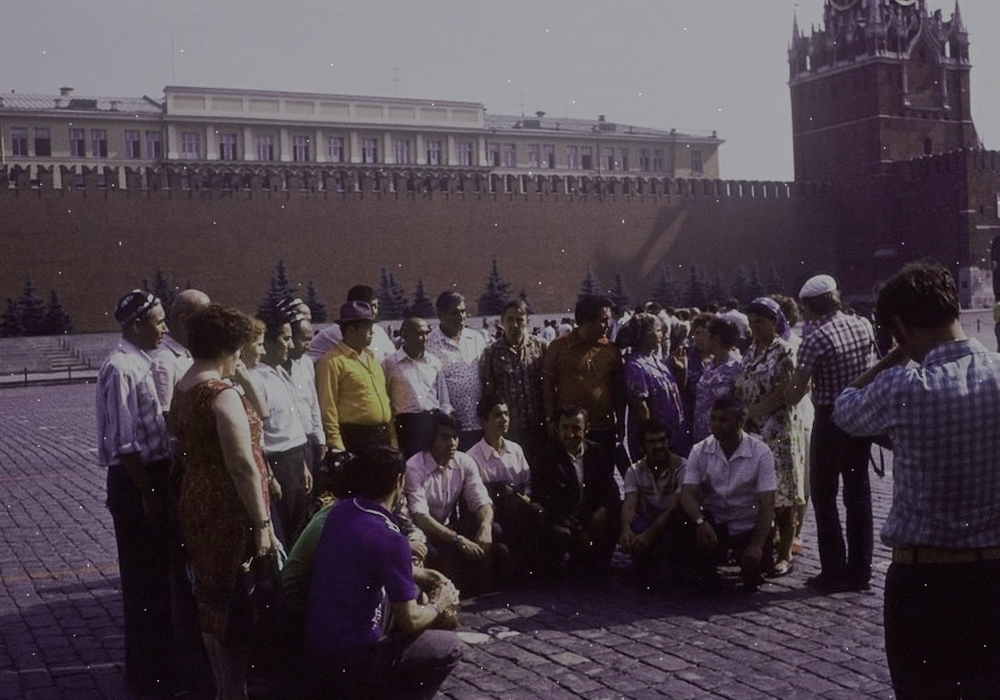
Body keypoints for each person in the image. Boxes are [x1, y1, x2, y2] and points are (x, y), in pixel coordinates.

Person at [831, 261, 1000, 698]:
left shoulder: (903, 388)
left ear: (901, 327)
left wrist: (894, 356)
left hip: (923, 583)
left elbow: (845, 408)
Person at [170, 304, 278, 700]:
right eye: (237, 350)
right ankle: (235, 693)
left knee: (209, 597)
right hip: (229, 508)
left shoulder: (184, 385)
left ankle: (222, 689)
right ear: (224, 349)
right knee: (236, 599)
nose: (239, 358)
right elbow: (242, 467)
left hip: (197, 498)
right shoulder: (220, 393)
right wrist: (263, 524)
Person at [305, 447, 462, 700]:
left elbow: (367, 559)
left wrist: (425, 576)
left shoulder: (341, 511)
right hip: (357, 657)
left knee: (412, 593)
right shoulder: (391, 539)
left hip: (319, 647)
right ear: (399, 481)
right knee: (449, 646)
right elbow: (409, 622)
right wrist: (438, 604)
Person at [96, 289, 175, 694]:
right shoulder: (121, 367)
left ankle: (159, 662)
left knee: (157, 577)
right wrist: (147, 494)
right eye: (159, 322)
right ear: (138, 324)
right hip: (137, 479)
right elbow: (125, 443)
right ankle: (147, 672)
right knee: (143, 579)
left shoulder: (142, 363)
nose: (165, 328)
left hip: (151, 474)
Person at [785, 274, 876, 592]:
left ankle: (834, 570)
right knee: (859, 495)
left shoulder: (816, 339)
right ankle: (861, 570)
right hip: (860, 418)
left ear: (810, 306)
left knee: (824, 496)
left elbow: (795, 393)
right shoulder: (861, 324)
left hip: (830, 420)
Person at [734, 297, 804, 577]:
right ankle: (767, 542)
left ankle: (785, 554)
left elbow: (784, 393)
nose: (755, 328)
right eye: (751, 323)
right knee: (759, 490)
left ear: (775, 322)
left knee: (782, 493)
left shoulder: (784, 351)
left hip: (778, 432)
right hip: (752, 431)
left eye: (760, 323)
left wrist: (750, 412)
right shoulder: (751, 351)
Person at [680, 396, 776, 593]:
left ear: (740, 423)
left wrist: (756, 546)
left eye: (723, 420)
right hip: (714, 525)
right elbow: (687, 494)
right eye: (713, 419)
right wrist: (700, 522)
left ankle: (750, 559)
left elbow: (767, 504)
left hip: (747, 525)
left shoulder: (761, 452)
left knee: (755, 570)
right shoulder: (700, 450)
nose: (716, 425)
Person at [405, 411, 500, 593]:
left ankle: (481, 586)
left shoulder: (465, 461)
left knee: (493, 529)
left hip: (449, 528)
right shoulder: (414, 466)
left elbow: (481, 501)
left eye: (455, 437)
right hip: (425, 533)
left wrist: (485, 527)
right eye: (445, 437)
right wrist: (458, 540)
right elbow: (420, 516)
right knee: (430, 552)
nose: (452, 443)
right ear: (432, 439)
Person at [531, 405, 622, 578]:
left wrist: (603, 509)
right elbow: (547, 500)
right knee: (560, 535)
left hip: (591, 519)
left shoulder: (597, 451)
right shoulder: (546, 456)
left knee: (617, 511)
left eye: (576, 428)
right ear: (557, 429)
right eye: (564, 428)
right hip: (563, 521)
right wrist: (579, 529)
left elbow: (611, 488)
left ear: (586, 429)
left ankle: (595, 561)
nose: (570, 434)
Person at [251, 312, 313, 547]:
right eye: (284, 339)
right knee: (285, 533)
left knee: (300, 529)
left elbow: (291, 424)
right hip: (277, 465)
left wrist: (303, 465)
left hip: (296, 459)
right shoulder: (256, 380)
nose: (290, 344)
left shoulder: (279, 373)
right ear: (266, 342)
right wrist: (271, 476)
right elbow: (259, 435)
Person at [466, 394, 544, 581]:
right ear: (484, 421)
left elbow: (527, 481)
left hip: (517, 508)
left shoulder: (515, 449)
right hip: (493, 513)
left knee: (536, 512)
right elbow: (473, 498)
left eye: (506, 414)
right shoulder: (472, 457)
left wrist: (527, 496)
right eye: (497, 415)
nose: (504, 420)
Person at [542, 295, 624, 456]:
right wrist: (550, 418)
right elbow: (547, 384)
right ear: (586, 321)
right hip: (569, 431)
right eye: (603, 320)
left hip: (603, 427)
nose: (608, 325)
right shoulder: (559, 347)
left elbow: (619, 389)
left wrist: (621, 420)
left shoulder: (611, 349)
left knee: (602, 476)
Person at [316, 301, 394, 454]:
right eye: (368, 329)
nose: (372, 334)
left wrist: (392, 437)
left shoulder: (371, 359)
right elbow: (328, 406)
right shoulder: (332, 362)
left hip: (381, 437)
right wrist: (336, 442)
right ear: (351, 330)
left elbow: (385, 400)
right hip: (355, 438)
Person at [618, 422, 687, 588]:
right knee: (635, 524)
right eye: (651, 442)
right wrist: (626, 528)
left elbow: (673, 508)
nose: (658, 446)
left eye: (662, 440)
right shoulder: (634, 471)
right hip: (648, 521)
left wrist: (648, 535)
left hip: (672, 521)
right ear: (642, 446)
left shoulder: (683, 467)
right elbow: (629, 503)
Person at [481, 300, 549, 460]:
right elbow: (488, 392)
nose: (515, 325)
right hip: (509, 429)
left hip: (538, 426)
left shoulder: (541, 347)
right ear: (502, 321)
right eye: (510, 319)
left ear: (528, 321)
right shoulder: (491, 352)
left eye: (519, 320)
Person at [619, 313, 688, 460]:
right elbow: (640, 407)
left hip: (672, 435)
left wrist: (683, 369)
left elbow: (677, 390)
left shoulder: (657, 361)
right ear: (645, 336)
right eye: (658, 330)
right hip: (655, 442)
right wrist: (653, 440)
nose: (662, 334)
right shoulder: (636, 366)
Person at [383, 317, 453, 459]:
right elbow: (386, 400)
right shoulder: (390, 364)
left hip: (433, 424)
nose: (424, 338)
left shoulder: (434, 362)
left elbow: (444, 400)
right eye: (419, 334)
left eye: (426, 333)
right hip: (406, 427)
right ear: (404, 335)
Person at [426, 291, 487, 450]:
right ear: (441, 315)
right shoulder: (430, 343)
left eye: (463, 311)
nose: (461, 316)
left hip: (480, 424)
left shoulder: (476, 338)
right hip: (451, 428)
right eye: (455, 312)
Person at [150, 288, 211, 422]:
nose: (209, 325)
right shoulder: (163, 360)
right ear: (183, 320)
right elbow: (163, 417)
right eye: (204, 318)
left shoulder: (187, 353)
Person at [283, 303, 327, 469]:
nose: (308, 346)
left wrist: (320, 438)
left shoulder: (307, 363)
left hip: (308, 441)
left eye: (310, 339)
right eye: (304, 340)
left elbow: (313, 403)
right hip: (288, 445)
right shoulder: (276, 367)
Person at [306, 284, 396, 363]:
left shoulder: (379, 332)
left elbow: (392, 359)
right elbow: (307, 359)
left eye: (375, 306)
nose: (373, 311)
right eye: (367, 307)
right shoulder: (330, 334)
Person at [692, 317, 742, 444]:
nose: (703, 339)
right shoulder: (710, 365)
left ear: (716, 339)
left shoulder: (736, 368)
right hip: (702, 437)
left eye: (706, 335)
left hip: (723, 439)